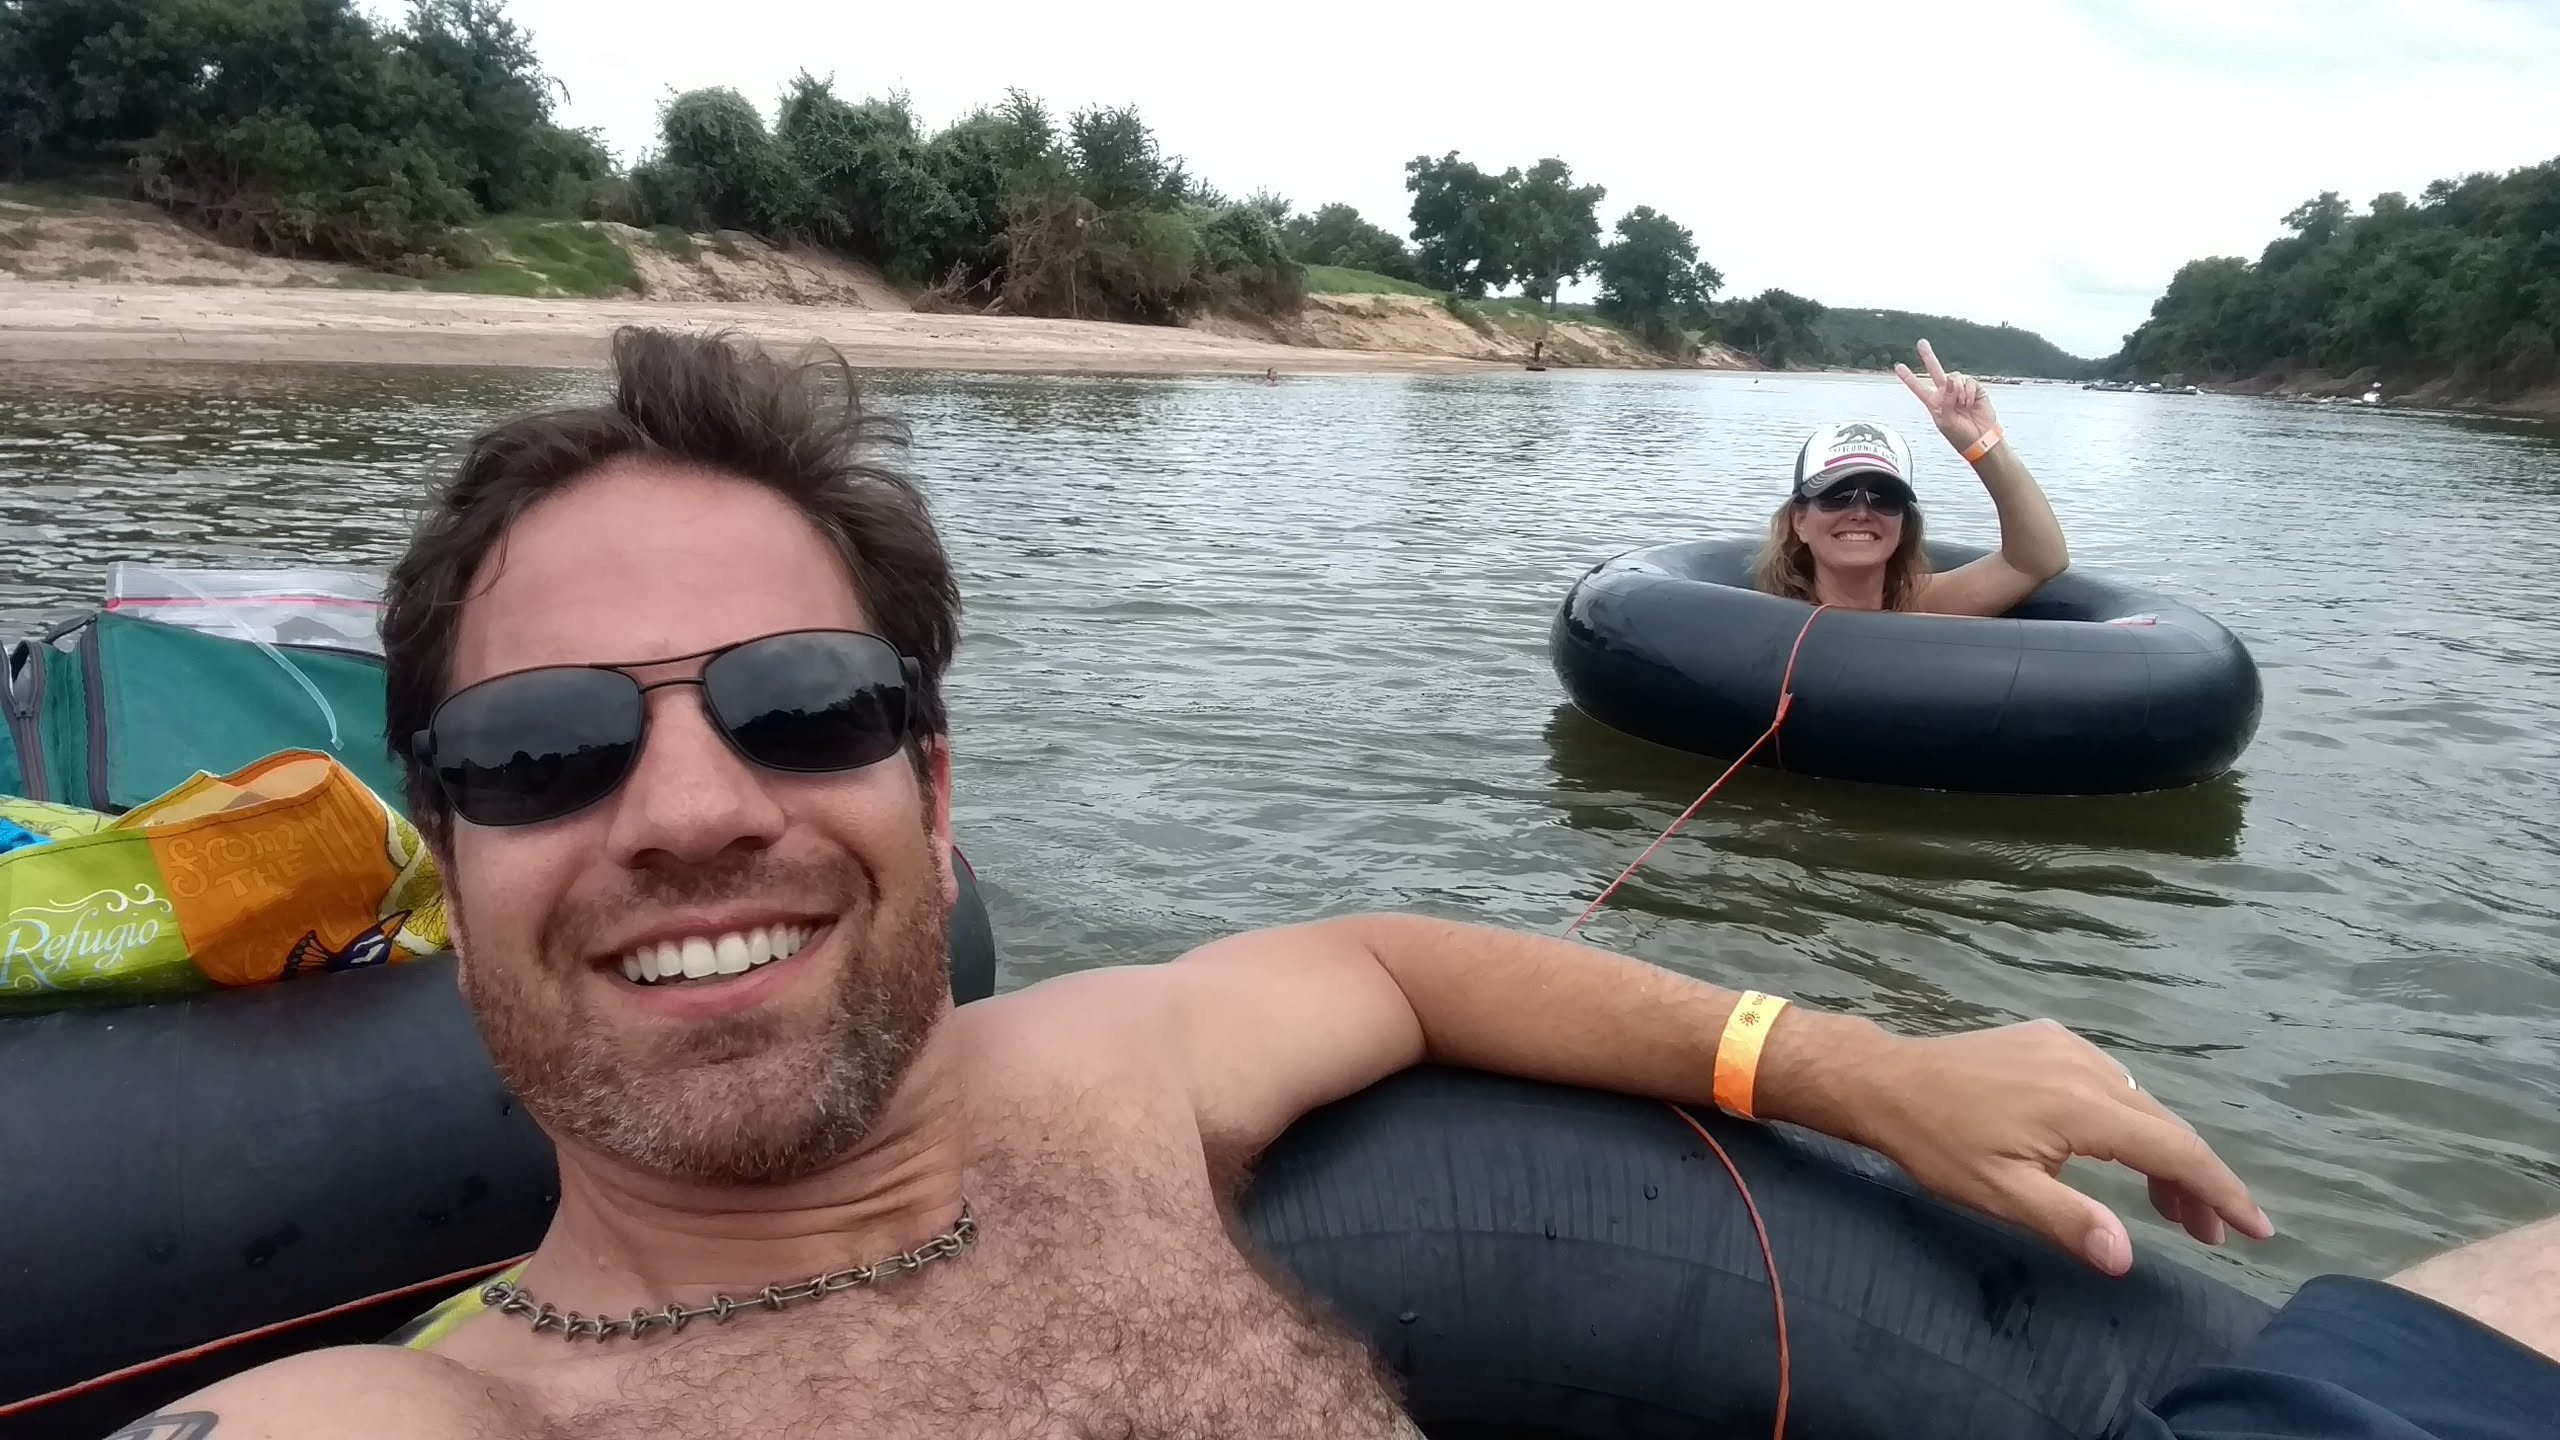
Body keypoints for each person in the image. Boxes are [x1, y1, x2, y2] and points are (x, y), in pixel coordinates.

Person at [100, 326, 2429, 1440]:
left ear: (932, 782)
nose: (690, 804)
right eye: (545, 743)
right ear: (443, 840)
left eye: (802, 704)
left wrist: (1853, 1062)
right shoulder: (412, 1419)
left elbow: (1388, 962)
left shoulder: (1105, 1069)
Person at [1755, 340, 2070, 615]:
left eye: (1884, 496)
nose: (1861, 512)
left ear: (1904, 525)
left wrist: (1983, 442)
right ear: (1799, 521)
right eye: (1837, 495)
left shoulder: (1927, 605)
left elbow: (2039, 562)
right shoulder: (1760, 616)